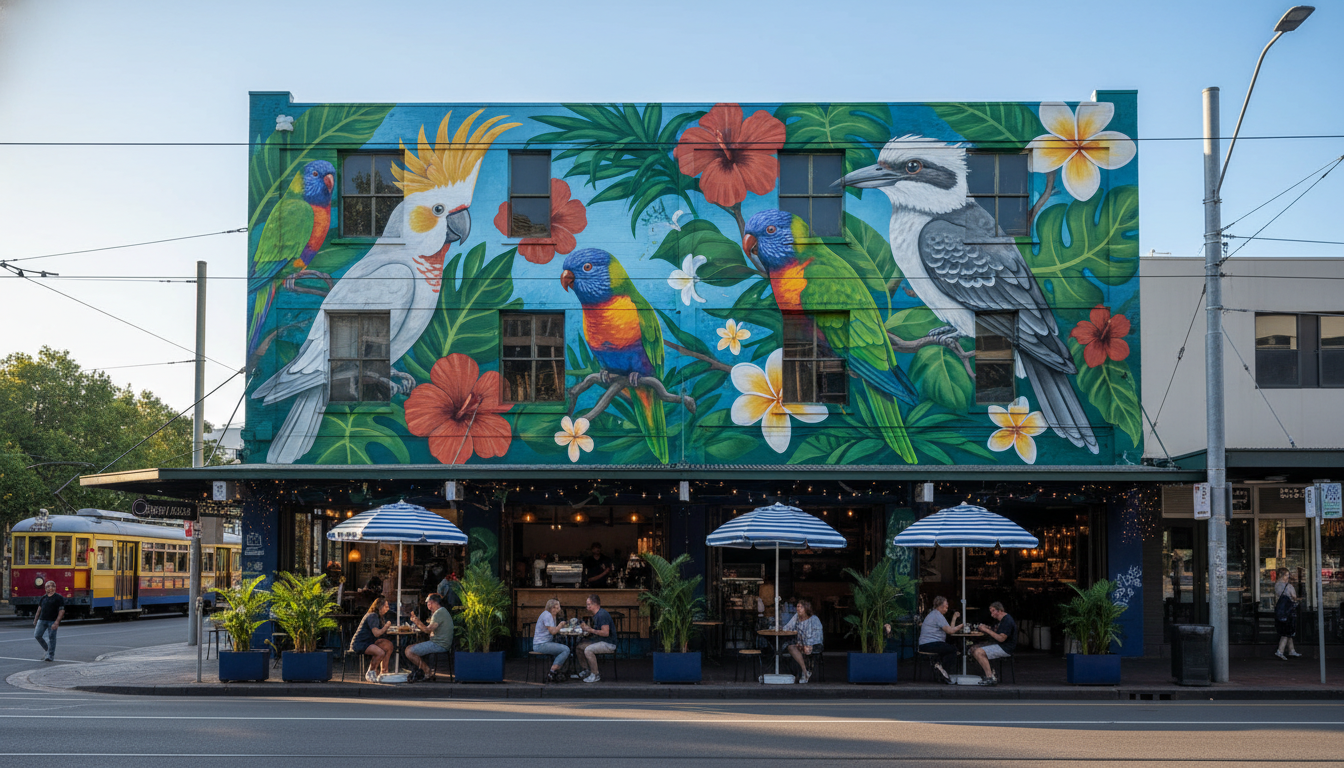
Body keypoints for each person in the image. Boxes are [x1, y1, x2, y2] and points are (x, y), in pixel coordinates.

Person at [914, 596, 965, 683]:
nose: (947, 608)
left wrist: (954, 618)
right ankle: (944, 671)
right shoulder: (938, 616)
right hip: (930, 644)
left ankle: (940, 668)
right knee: (953, 650)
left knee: (948, 649)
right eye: (946, 606)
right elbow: (950, 631)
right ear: (940, 606)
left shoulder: (934, 614)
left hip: (925, 644)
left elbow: (950, 629)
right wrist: (962, 625)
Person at [405, 593, 453, 682]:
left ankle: (427, 671)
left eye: (428, 603)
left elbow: (427, 630)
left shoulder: (438, 613)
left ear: (433, 602)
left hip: (439, 644)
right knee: (411, 647)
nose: (428, 605)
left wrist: (417, 622)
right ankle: (423, 670)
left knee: (408, 651)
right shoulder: (442, 612)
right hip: (442, 643)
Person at [970, 601, 1017, 686]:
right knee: (974, 648)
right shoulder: (1002, 620)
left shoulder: (1007, 621)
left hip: (1005, 648)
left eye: (993, 611)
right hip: (1000, 645)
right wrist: (987, 627)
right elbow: (996, 630)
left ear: (1000, 610)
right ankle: (991, 672)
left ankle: (990, 677)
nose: (992, 614)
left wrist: (986, 630)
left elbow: (1001, 638)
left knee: (978, 652)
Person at [349, 597, 394, 682]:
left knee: (388, 645)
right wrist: (386, 627)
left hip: (370, 641)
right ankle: (371, 672)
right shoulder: (372, 615)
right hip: (361, 643)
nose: (387, 609)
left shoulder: (379, 616)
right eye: (386, 606)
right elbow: (376, 633)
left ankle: (384, 672)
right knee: (380, 652)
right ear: (380, 606)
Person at [576, 593, 615, 682]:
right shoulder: (597, 615)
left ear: (595, 604)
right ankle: (586, 670)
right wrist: (587, 630)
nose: (587, 606)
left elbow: (605, 633)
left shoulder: (602, 615)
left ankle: (595, 674)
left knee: (588, 650)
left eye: (589, 604)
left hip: (609, 643)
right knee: (579, 648)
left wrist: (590, 630)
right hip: (600, 641)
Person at [782, 600, 823, 683]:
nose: (799, 609)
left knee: (806, 649)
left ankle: (804, 673)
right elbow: (787, 628)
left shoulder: (814, 619)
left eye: (801, 607)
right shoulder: (796, 617)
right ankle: (805, 671)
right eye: (798, 607)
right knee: (790, 647)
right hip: (801, 643)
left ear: (806, 608)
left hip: (814, 644)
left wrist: (806, 645)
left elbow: (817, 636)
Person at [532, 598, 571, 682]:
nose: (555, 610)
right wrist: (560, 625)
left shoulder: (551, 615)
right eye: (553, 608)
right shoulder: (547, 615)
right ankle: (552, 672)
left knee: (562, 648)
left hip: (544, 643)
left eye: (557, 608)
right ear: (549, 607)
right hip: (541, 644)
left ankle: (557, 671)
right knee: (566, 649)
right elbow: (553, 631)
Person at [1273, 567, 1302, 660]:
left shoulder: (1276, 585)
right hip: (1288, 611)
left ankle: (1291, 650)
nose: (1288, 576)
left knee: (1287, 631)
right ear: (1282, 575)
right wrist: (1300, 599)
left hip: (1280, 611)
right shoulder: (1289, 586)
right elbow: (1294, 597)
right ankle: (1280, 651)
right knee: (1287, 632)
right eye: (1286, 575)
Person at [33, 580, 64, 662]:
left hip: (52, 621)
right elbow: (39, 610)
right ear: (45, 589)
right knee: (37, 635)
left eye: (51, 586)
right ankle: (47, 648)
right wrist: (35, 620)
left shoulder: (59, 598)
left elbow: (61, 611)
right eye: (47, 587)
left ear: (54, 587)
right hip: (42, 620)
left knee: (52, 638)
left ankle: (50, 655)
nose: (50, 588)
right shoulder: (43, 598)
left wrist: (57, 622)